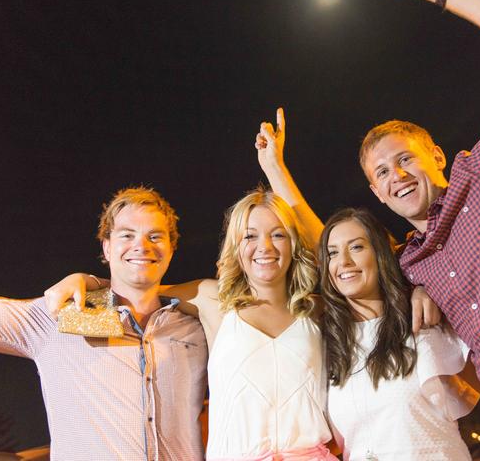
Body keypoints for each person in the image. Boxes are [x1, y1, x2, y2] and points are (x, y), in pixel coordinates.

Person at [255, 0, 480, 460]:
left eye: (405, 159)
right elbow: (338, 250)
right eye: (381, 172)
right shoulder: (415, 263)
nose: (396, 175)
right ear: (376, 192)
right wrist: (277, 173)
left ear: (436, 156)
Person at [0, 131, 207, 460]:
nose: (142, 245)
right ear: (106, 248)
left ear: (172, 248)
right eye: (127, 235)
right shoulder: (59, 316)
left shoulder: (196, 329)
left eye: (156, 236)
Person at [48, 188, 340, 460]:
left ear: (293, 243)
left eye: (278, 235)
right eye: (250, 236)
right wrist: (88, 281)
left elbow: (336, 255)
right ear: (236, 246)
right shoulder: (212, 300)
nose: (264, 246)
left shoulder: (317, 311)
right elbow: (137, 283)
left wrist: (275, 168)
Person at [320, 207, 478, 460]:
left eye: (357, 247)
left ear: (381, 254)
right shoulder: (328, 344)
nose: (344, 262)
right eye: (332, 253)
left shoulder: (423, 320)